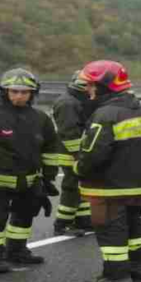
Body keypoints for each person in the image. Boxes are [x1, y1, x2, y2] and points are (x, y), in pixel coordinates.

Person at [0, 68, 62, 274]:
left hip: (29, 180)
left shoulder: (41, 118)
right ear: (5, 92)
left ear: (32, 94)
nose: (19, 96)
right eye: (14, 91)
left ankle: (17, 251)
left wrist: (49, 177)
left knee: (24, 217)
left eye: (25, 92)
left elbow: (51, 149)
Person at [73, 60, 141, 282]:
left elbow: (93, 153)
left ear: (103, 86)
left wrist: (78, 168)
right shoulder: (139, 109)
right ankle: (140, 267)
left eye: (90, 85)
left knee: (110, 227)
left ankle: (116, 275)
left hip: (110, 185)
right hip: (137, 183)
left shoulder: (106, 114)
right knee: (133, 224)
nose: (87, 90)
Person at [51, 70, 94, 236]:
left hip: (74, 152)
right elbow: (69, 132)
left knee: (81, 186)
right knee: (72, 187)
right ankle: (62, 224)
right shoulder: (68, 103)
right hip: (70, 153)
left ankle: (82, 220)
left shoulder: (74, 100)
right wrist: (79, 155)